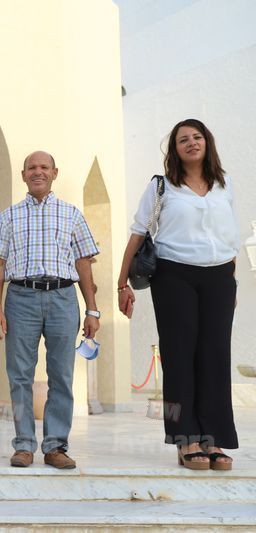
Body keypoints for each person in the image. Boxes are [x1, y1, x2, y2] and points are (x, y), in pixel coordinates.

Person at [117, 119, 239, 471]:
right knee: (178, 358)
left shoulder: (224, 184)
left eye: (197, 137)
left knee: (216, 358)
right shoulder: (162, 187)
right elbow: (139, 232)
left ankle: (214, 438)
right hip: (174, 275)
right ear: (175, 149)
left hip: (219, 276)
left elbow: (228, 233)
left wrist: (231, 281)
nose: (191, 143)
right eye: (183, 139)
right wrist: (122, 283)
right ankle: (184, 438)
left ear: (207, 142)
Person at [0, 151, 100, 470]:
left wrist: (93, 311)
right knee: (19, 375)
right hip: (20, 297)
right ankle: (24, 444)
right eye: (32, 168)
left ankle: (55, 446)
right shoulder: (9, 216)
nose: (38, 172)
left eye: (44, 167)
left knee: (62, 375)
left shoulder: (72, 214)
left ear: (54, 173)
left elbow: (84, 263)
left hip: (63, 298)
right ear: (23, 175)